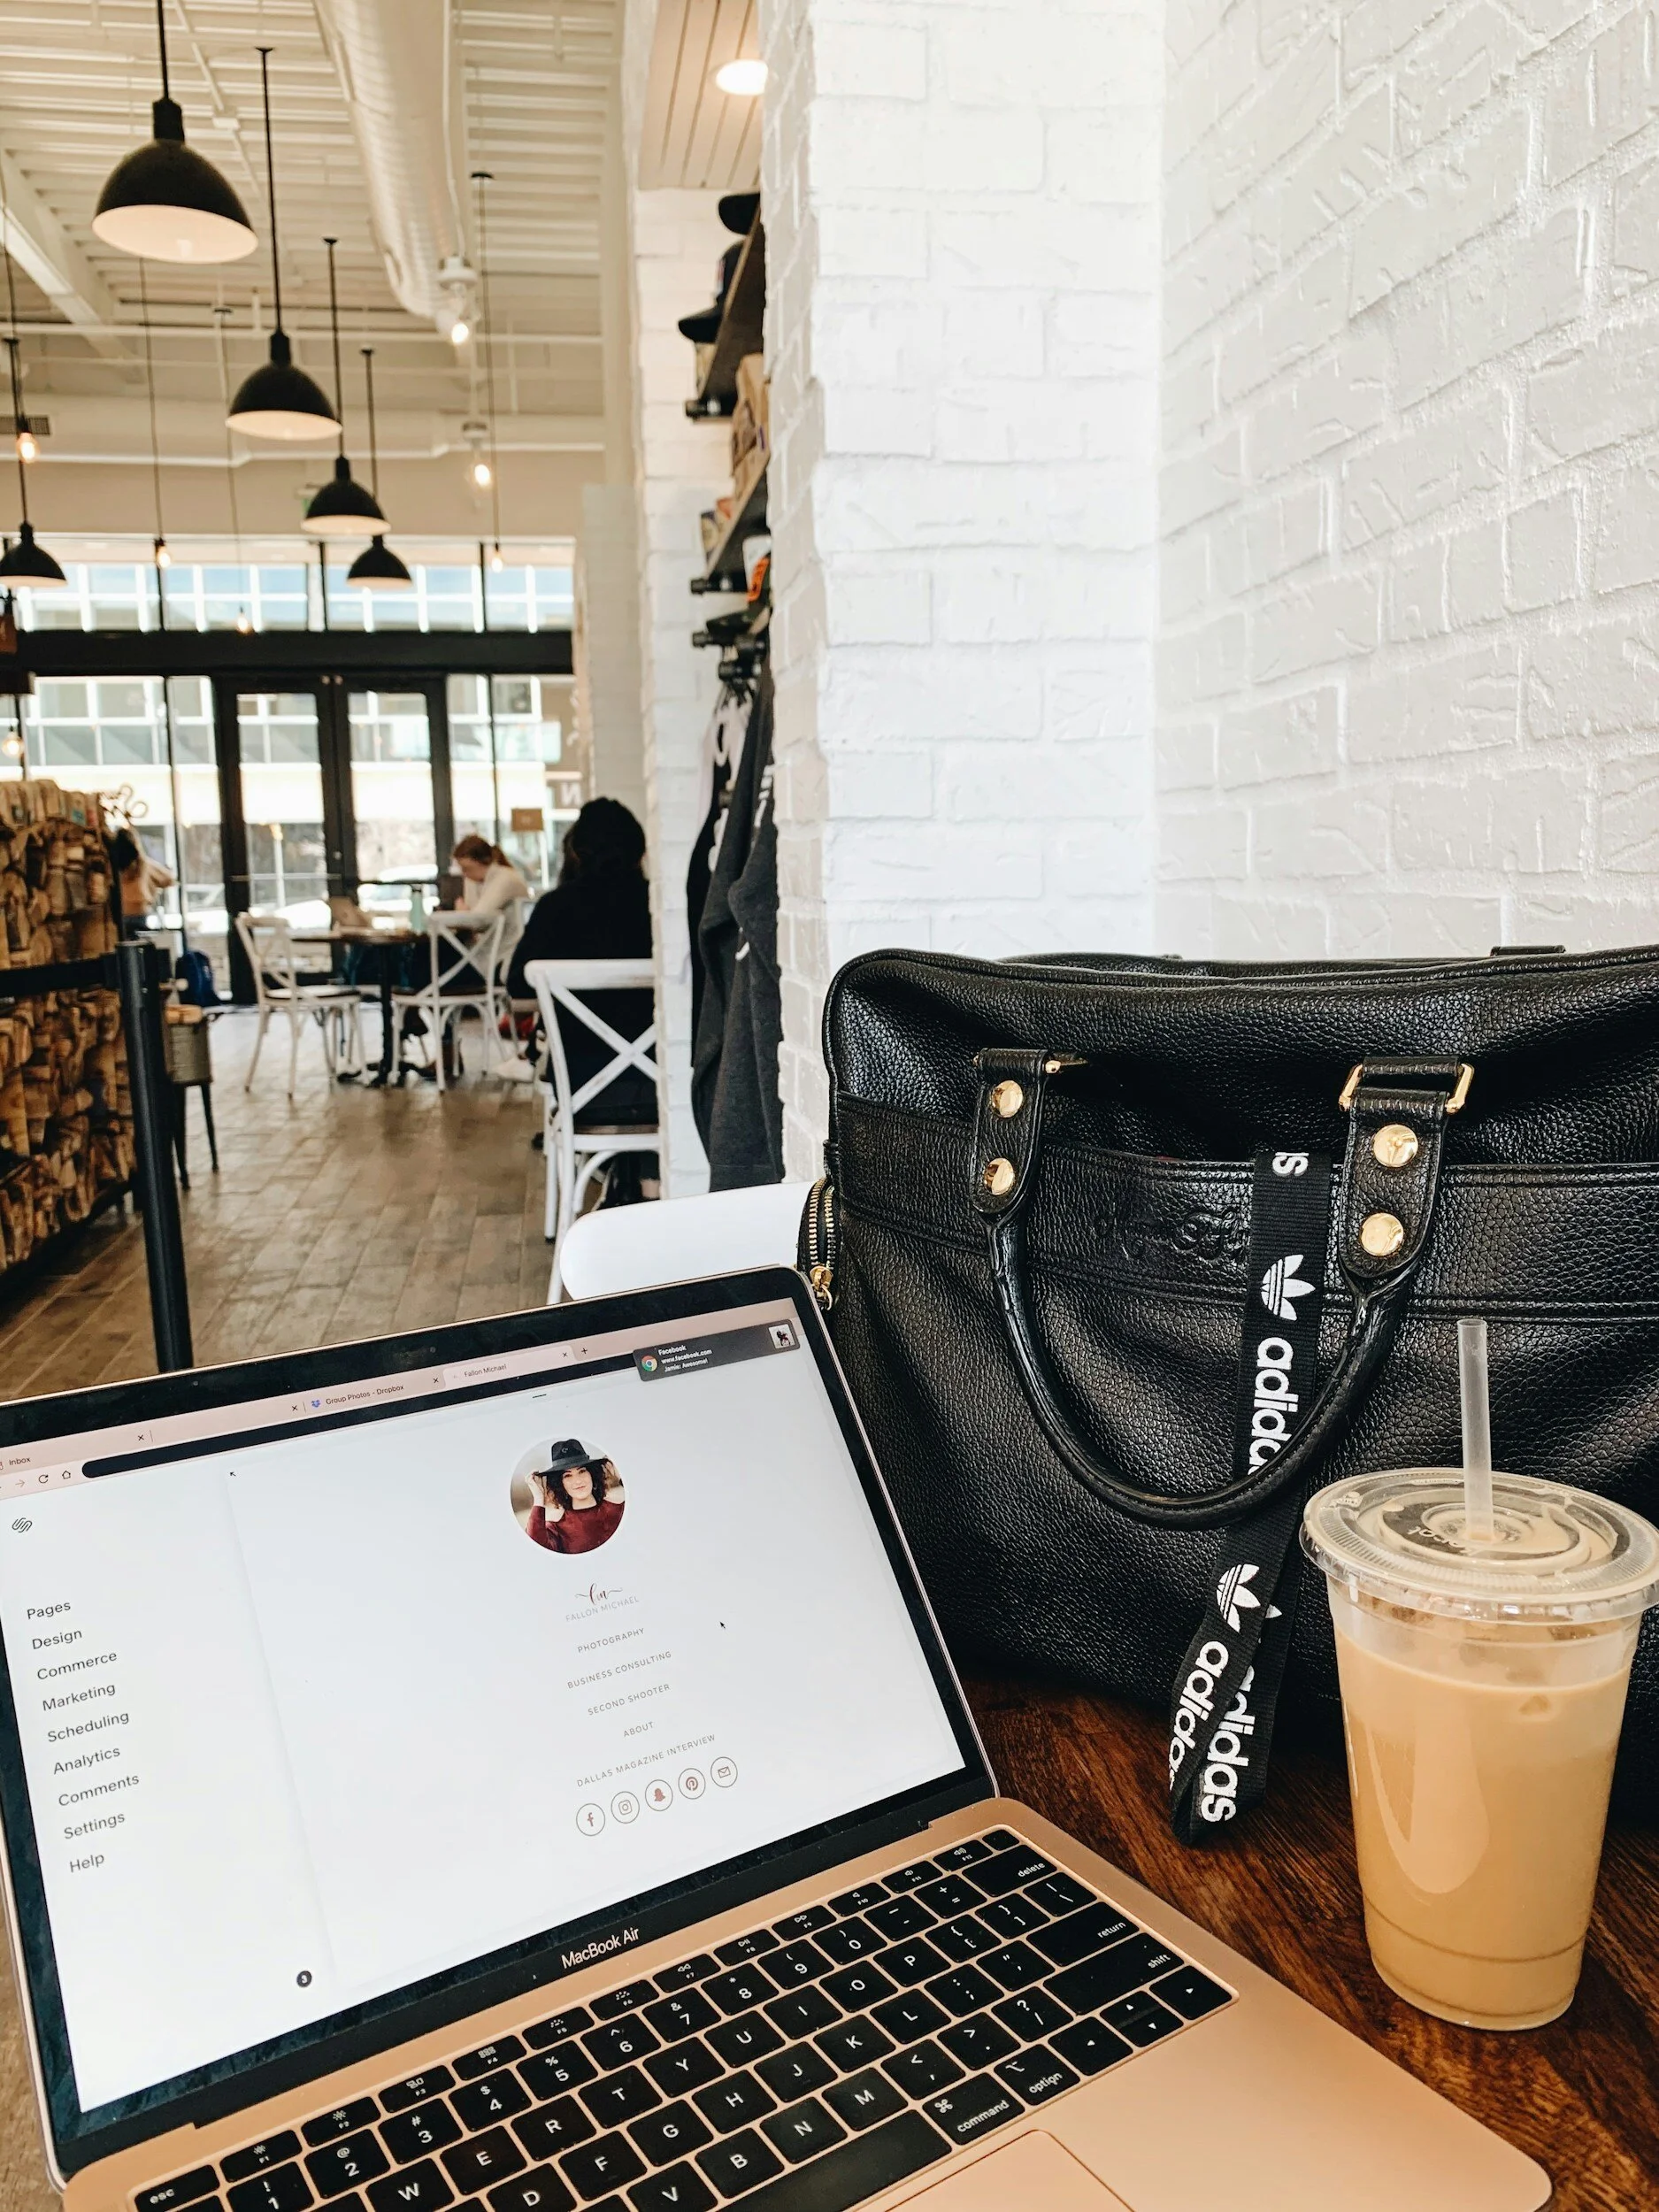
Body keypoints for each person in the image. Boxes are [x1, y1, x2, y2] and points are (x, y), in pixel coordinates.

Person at [507, 798, 655, 1141]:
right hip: (665, 1087)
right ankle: (648, 1178)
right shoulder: (662, 907)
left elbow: (518, 985)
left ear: (576, 851)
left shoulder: (555, 908)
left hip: (584, 1087)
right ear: (641, 851)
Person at [524, 1441, 625, 1555]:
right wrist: (538, 1499)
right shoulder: (557, 1529)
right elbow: (534, 1548)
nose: (577, 1481)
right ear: (561, 1484)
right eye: (567, 1475)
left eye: (582, 1471)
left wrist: (623, 1479)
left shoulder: (621, 1511)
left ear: (592, 1474)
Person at [109, 826, 174, 937]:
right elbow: (168, 879)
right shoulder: (144, 865)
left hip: (119, 914)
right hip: (139, 913)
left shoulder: (111, 866)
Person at [451, 833, 530, 918]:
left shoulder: (506, 878)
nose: (464, 874)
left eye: (467, 869)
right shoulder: (474, 879)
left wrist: (462, 914)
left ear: (484, 861)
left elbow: (479, 917)